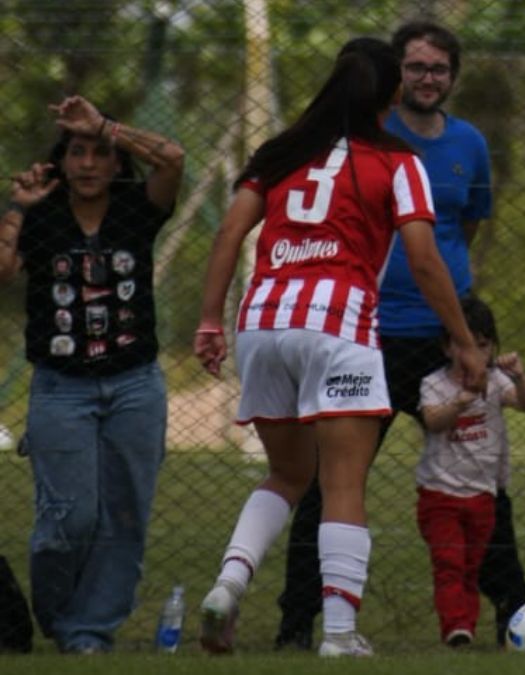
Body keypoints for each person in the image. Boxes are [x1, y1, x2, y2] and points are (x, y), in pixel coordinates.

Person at [192, 37, 487, 658]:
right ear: (391, 94)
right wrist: (464, 341)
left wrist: (209, 321)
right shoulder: (398, 161)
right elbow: (426, 259)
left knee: (287, 473)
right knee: (342, 482)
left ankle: (227, 584)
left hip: (263, 324)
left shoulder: (279, 153)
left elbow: (228, 231)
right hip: (337, 324)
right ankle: (339, 634)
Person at [270, 21, 521, 651]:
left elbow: (462, 229)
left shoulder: (469, 143)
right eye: (415, 67)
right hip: (367, 337)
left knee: (482, 478)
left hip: (444, 340)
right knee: (333, 482)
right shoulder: (368, 143)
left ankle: (514, 612)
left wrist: (460, 330)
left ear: (453, 76)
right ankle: (297, 620)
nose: (428, 78)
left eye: (440, 68)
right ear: (394, 75)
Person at [0, 95, 183, 653]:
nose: (87, 164)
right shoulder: (43, 210)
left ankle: (88, 632)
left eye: (99, 153)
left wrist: (106, 125)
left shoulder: (136, 205)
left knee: (124, 515)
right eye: (77, 152)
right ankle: (57, 614)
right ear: (62, 161)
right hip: (60, 387)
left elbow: (173, 159)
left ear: (116, 162)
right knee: (68, 518)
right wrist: (19, 209)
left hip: (134, 383)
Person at [416, 297, 525, 648]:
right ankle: (457, 627)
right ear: (447, 346)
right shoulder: (436, 384)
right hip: (440, 493)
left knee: (472, 566)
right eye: (464, 344)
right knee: (449, 562)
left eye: (483, 346)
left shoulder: (497, 382)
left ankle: (466, 624)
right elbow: (433, 421)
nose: (475, 354)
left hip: (483, 493)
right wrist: (461, 401)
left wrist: (521, 375)